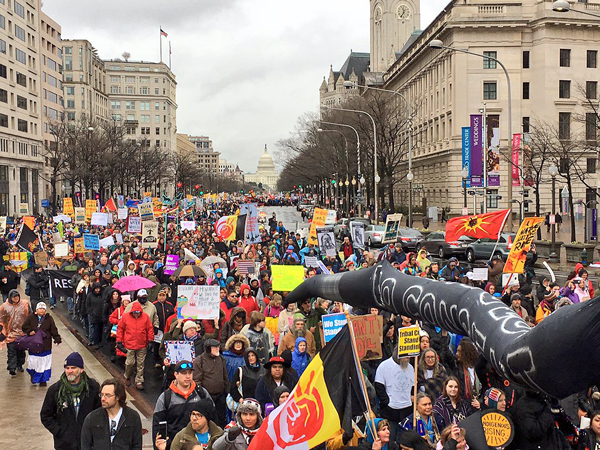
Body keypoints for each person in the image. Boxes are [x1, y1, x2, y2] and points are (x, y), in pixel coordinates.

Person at [40, 352, 101, 450]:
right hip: (64, 444)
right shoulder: (55, 390)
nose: (69, 371)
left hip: (87, 442)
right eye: (67, 368)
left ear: (81, 369)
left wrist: (94, 431)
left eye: (73, 368)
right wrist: (59, 431)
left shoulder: (93, 388)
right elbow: (46, 415)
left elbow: (100, 412)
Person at [153, 361, 214, 450]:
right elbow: (157, 426)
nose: (188, 376)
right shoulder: (165, 398)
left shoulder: (202, 393)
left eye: (190, 373)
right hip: (174, 446)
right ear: (176, 374)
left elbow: (213, 418)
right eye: (184, 373)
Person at [81, 378, 143, 450]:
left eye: (107, 395)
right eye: (102, 394)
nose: (103, 399)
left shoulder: (132, 417)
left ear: (118, 397)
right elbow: (85, 446)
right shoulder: (92, 418)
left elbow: (137, 445)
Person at [374, 354, 415, 441]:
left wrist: (411, 397)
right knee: (390, 439)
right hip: (390, 411)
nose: (409, 358)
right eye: (407, 356)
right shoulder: (384, 366)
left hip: (407, 410)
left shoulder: (411, 368)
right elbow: (379, 387)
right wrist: (387, 402)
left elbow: (413, 387)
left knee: (406, 440)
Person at [22, 301, 61, 386]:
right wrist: (30, 331)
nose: (42, 310)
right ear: (36, 310)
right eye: (40, 308)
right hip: (34, 345)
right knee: (34, 362)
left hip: (46, 345)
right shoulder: (31, 317)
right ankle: (34, 375)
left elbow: (53, 329)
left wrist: (57, 338)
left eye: (43, 309)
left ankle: (43, 380)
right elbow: (24, 327)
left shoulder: (49, 319)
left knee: (44, 363)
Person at [117, 300, 154, 390]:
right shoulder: (125, 317)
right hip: (129, 344)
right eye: (135, 312)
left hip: (142, 344)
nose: (136, 314)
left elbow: (149, 328)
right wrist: (119, 341)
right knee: (130, 363)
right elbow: (120, 328)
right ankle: (127, 376)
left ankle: (139, 380)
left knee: (140, 364)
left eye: (138, 312)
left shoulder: (145, 317)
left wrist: (150, 340)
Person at [159, 399, 223, 450]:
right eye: (193, 414)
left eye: (199, 415)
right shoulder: (181, 436)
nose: (194, 418)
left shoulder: (219, 435)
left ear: (207, 418)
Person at [193, 339, 229, 428]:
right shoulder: (199, 360)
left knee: (221, 418)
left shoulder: (221, 358)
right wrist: (202, 394)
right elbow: (197, 379)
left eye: (218, 347)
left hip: (220, 395)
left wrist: (227, 390)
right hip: (207, 396)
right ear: (208, 349)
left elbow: (225, 376)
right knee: (209, 419)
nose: (218, 349)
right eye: (215, 347)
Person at [0, 289, 30, 376]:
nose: (16, 298)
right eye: (14, 297)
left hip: (22, 333)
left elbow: (30, 316)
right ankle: (12, 367)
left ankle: (19, 364)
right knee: (12, 351)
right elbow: (1, 320)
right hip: (10, 333)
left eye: (17, 296)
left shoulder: (24, 304)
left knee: (20, 351)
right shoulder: (4, 307)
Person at [85, 282, 105, 348]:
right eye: (96, 289)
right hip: (94, 315)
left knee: (100, 329)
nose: (97, 290)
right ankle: (95, 342)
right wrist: (91, 312)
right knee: (95, 329)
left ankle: (99, 341)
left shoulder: (102, 295)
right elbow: (87, 305)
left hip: (101, 315)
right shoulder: (90, 295)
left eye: (98, 289)